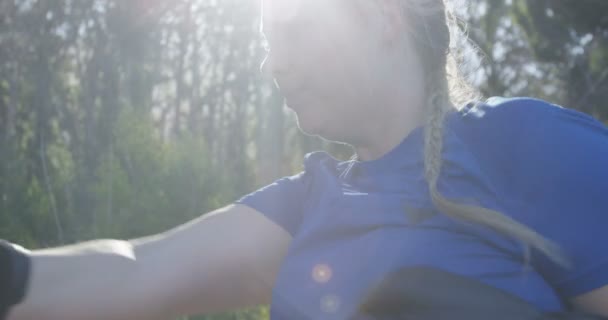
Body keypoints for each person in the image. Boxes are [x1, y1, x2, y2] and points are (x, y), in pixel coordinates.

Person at [2, 0, 608, 319]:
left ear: (383, 17)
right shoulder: (306, 204)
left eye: (292, 31)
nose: (274, 64)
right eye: (266, 42)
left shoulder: (527, 144)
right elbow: (138, 269)